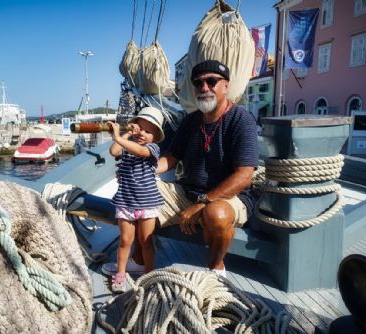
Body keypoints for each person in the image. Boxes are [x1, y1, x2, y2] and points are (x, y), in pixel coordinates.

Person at [102, 59, 259, 278]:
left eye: (211, 81)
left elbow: (244, 176)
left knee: (217, 214)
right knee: (141, 192)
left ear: (226, 85)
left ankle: (216, 267)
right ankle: (138, 261)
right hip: (187, 192)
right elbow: (171, 158)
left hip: (230, 197)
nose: (204, 88)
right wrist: (139, 172)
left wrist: (203, 202)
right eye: (198, 83)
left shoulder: (241, 120)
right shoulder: (191, 121)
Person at [106, 106, 165, 293]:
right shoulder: (126, 146)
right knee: (125, 241)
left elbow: (141, 151)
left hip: (147, 203)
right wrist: (125, 133)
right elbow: (114, 152)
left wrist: (117, 137)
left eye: (149, 131)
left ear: (155, 136)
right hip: (125, 202)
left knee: (146, 241)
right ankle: (121, 274)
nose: (143, 134)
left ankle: (148, 274)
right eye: (140, 129)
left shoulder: (153, 149)